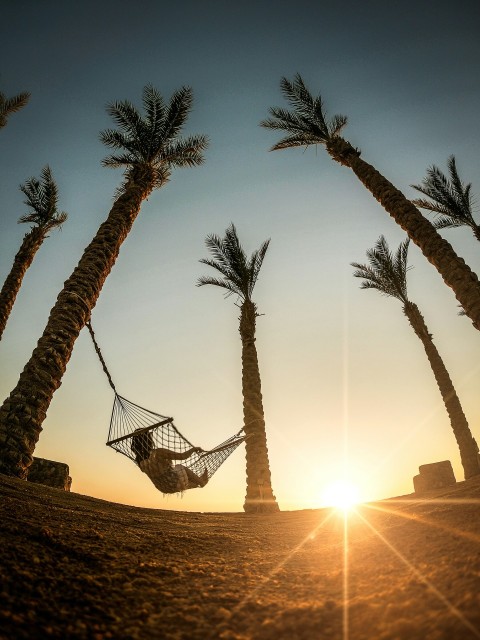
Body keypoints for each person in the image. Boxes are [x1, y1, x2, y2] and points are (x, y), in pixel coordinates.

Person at [130, 428, 209, 494]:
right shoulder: (158, 453)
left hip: (162, 488)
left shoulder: (139, 461)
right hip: (175, 482)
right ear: (149, 440)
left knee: (175, 479)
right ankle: (201, 482)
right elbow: (182, 456)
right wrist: (194, 449)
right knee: (179, 467)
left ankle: (198, 482)